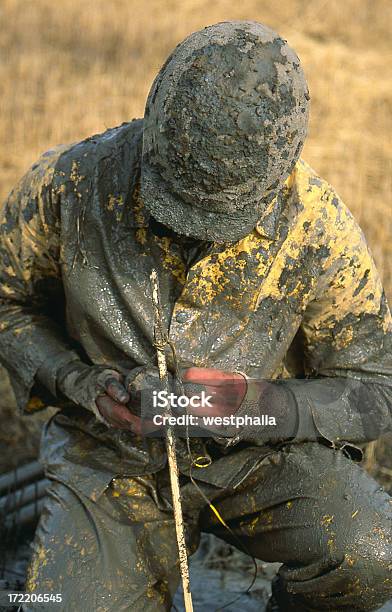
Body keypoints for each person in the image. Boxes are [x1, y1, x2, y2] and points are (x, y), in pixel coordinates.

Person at [0, 20, 390, 612]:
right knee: (52, 605)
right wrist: (79, 383)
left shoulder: (319, 230)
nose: (189, 233)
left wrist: (258, 406)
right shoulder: (69, 185)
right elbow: (7, 303)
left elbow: (377, 389)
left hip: (257, 460)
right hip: (110, 463)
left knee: (373, 549)